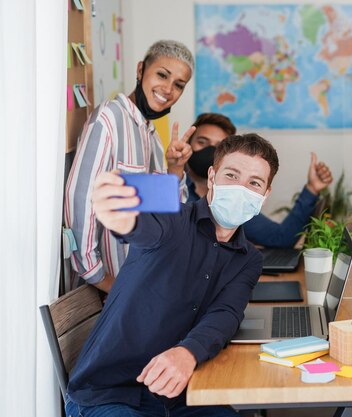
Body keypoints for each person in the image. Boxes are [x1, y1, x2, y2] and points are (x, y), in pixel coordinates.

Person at [65, 133, 279, 417]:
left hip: (179, 395)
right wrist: (120, 217)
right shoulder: (174, 218)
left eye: (254, 183)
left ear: (265, 195)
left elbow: (226, 313)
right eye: (231, 175)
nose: (241, 188)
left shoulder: (248, 259)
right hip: (110, 392)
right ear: (212, 176)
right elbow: (142, 226)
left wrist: (188, 352)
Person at [64, 40, 196, 293]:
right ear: (140, 70)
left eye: (178, 85)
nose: (168, 89)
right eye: (162, 75)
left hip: (143, 284)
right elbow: (80, 201)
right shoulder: (109, 119)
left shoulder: (153, 136)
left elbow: (168, 216)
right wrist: (100, 278)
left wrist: (176, 170)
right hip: (107, 290)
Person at [186, 112, 334, 248]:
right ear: (188, 144)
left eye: (218, 147)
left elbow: (280, 237)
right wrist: (175, 171)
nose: (209, 151)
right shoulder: (171, 187)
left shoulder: (235, 200)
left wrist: (312, 189)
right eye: (202, 142)